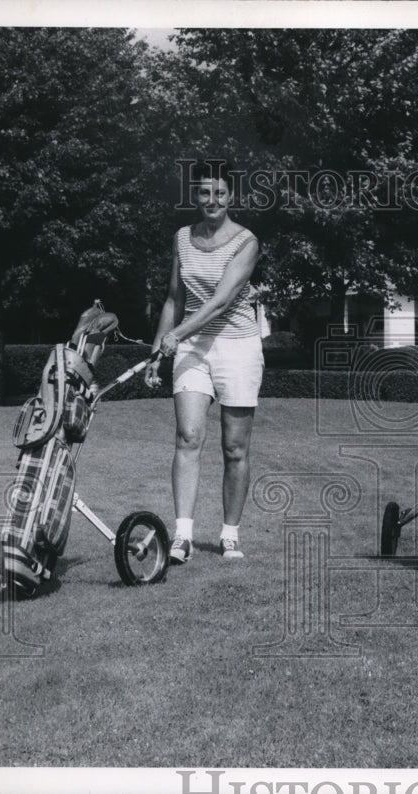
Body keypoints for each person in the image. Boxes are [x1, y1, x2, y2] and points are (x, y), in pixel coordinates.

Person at [146, 160, 263, 564]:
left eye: (220, 192)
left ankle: (229, 534)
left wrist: (176, 335)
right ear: (195, 195)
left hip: (238, 348)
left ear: (231, 196)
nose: (211, 200)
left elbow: (222, 302)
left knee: (234, 447)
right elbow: (174, 299)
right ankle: (183, 537)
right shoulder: (182, 237)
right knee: (188, 436)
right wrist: (156, 350)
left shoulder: (247, 241)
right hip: (192, 350)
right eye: (204, 192)